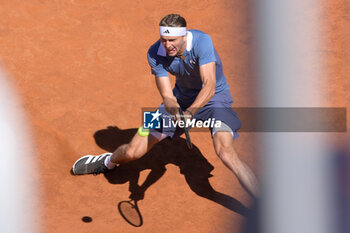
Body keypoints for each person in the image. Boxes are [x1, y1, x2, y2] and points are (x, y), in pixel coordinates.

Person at [72, 14, 258, 197]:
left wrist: (190, 113)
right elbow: (167, 97)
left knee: (226, 153)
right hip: (180, 99)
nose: (168, 45)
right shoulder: (154, 53)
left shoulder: (202, 41)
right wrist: (175, 111)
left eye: (173, 40)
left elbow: (209, 86)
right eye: (164, 40)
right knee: (131, 151)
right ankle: (107, 161)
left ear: (184, 36)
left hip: (215, 100)